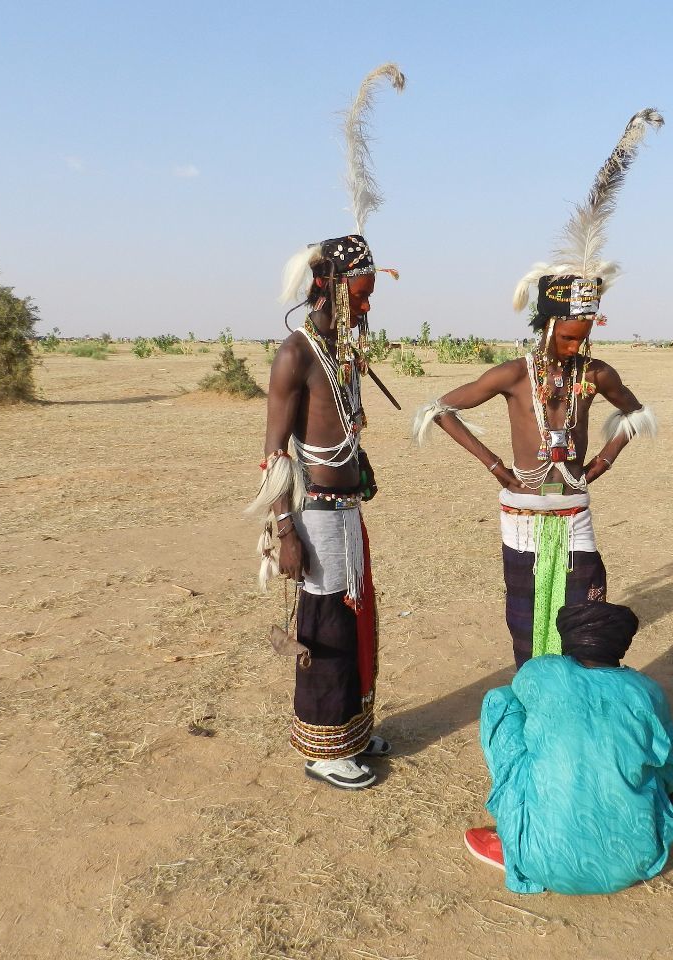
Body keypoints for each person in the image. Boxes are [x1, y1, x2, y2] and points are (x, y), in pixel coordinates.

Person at [413, 109, 664, 668]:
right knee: (525, 616)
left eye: (585, 337)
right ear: (548, 326)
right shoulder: (510, 375)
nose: (577, 347)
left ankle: (577, 696)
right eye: (570, 337)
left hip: (574, 506)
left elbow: (636, 413)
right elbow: (440, 409)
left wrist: (603, 458)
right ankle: (533, 696)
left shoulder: (595, 374)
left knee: (582, 614)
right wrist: (496, 467)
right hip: (520, 509)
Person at [246, 64, 405, 791]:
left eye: (370, 298)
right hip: (312, 515)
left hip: (346, 511)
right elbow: (273, 451)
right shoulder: (295, 353)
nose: (366, 309)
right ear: (326, 287)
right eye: (359, 297)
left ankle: (353, 731)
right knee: (328, 627)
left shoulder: (343, 349)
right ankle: (324, 746)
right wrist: (281, 530)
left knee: (355, 621)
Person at [465, 602, 673, 894]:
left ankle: (518, 833)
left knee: (500, 701)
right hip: (637, 858)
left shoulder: (540, 672)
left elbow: (517, 699)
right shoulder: (647, 691)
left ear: (567, 638)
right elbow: (667, 771)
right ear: (621, 646)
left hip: (540, 861)